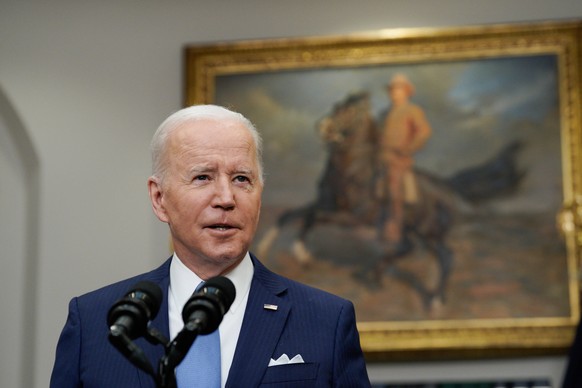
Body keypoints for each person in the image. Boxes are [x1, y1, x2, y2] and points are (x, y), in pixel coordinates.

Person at [49, 104, 371, 387]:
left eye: (242, 179)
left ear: (260, 195)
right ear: (159, 198)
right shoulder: (95, 322)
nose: (226, 199)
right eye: (203, 177)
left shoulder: (326, 320)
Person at [378, 73, 432, 244]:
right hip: (381, 157)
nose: (394, 93)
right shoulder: (385, 113)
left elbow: (424, 132)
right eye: (392, 90)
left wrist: (407, 149)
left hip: (399, 160)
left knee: (394, 187)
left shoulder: (412, 110)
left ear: (406, 92)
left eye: (398, 89)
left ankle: (395, 226)